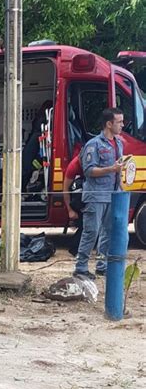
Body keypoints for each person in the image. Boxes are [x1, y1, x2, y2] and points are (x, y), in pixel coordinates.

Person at [74, 108, 125, 279]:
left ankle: (102, 265)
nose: (122, 125)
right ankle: (80, 267)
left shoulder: (119, 143)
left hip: (113, 194)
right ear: (109, 124)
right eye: (119, 122)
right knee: (91, 232)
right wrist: (112, 169)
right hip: (96, 195)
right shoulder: (93, 145)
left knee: (108, 232)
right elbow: (89, 171)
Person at [63, 153, 107, 257]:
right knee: (88, 225)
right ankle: (76, 249)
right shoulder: (74, 166)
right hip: (80, 197)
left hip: (94, 194)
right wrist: (70, 211)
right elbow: (65, 189)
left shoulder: (96, 161)